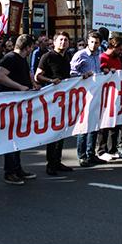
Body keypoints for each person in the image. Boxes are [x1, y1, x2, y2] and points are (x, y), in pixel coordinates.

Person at [0, 34, 39, 184]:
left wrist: (32, 84)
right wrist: (19, 87)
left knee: (18, 137)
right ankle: (9, 171)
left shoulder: (21, 59)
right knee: (10, 137)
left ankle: (17, 168)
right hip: (10, 103)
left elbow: (24, 75)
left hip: (20, 103)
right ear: (28, 47)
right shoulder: (10, 58)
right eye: (32, 46)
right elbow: (0, 76)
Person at [36, 33, 76, 175]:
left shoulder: (67, 57)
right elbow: (38, 75)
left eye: (66, 40)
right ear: (54, 42)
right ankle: (50, 164)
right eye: (60, 40)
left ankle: (57, 161)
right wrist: (51, 81)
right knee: (53, 132)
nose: (63, 42)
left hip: (64, 99)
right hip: (52, 100)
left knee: (62, 131)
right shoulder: (48, 57)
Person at [70, 31, 104, 166]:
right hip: (84, 95)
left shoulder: (98, 55)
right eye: (91, 42)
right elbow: (71, 73)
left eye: (96, 43)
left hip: (96, 93)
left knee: (94, 124)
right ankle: (82, 155)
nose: (94, 45)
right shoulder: (80, 55)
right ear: (87, 42)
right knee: (83, 126)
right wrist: (82, 75)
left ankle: (91, 154)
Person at [95, 35, 122, 161]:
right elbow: (100, 72)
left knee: (115, 123)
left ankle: (113, 148)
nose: (120, 52)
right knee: (105, 124)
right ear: (113, 46)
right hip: (105, 95)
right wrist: (106, 71)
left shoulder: (117, 59)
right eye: (119, 50)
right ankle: (101, 150)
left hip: (116, 94)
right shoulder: (102, 57)